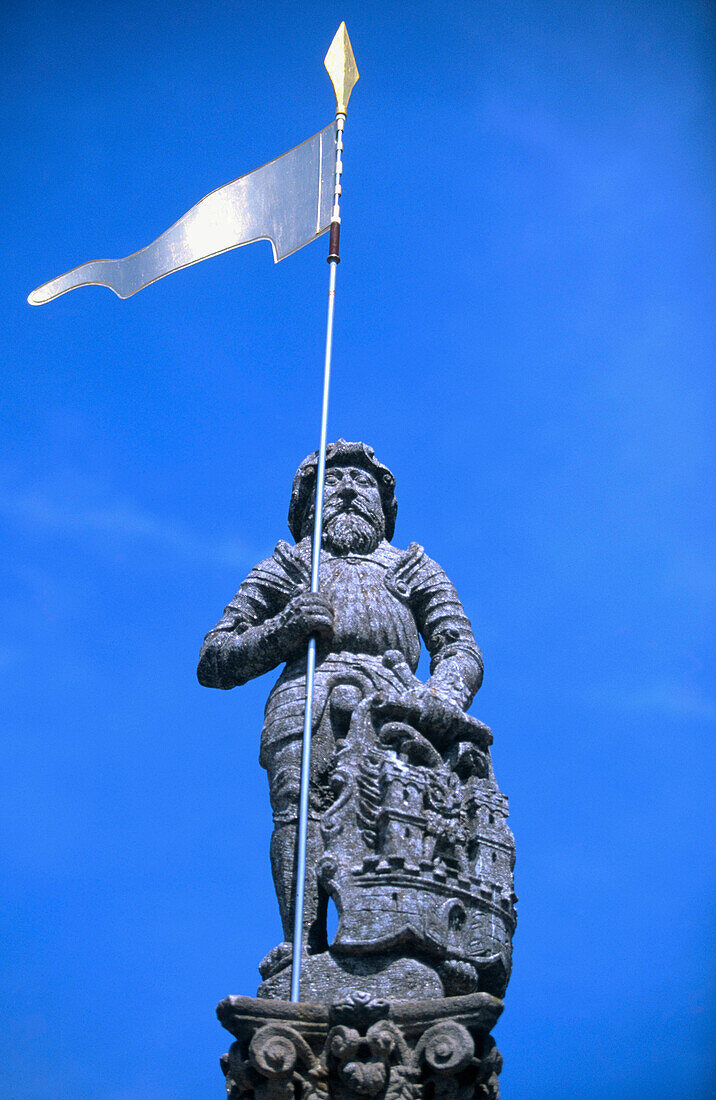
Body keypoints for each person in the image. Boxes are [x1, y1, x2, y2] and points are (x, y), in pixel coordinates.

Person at [198, 440, 483, 978]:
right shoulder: (289, 567)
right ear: (307, 508)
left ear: (384, 505)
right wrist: (283, 630)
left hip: (396, 702)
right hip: (306, 696)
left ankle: (405, 933)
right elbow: (215, 658)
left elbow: (460, 647)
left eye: (363, 482)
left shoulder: (412, 568)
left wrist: (440, 696)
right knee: (300, 812)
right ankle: (303, 942)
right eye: (332, 482)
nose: (349, 490)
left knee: (397, 817)